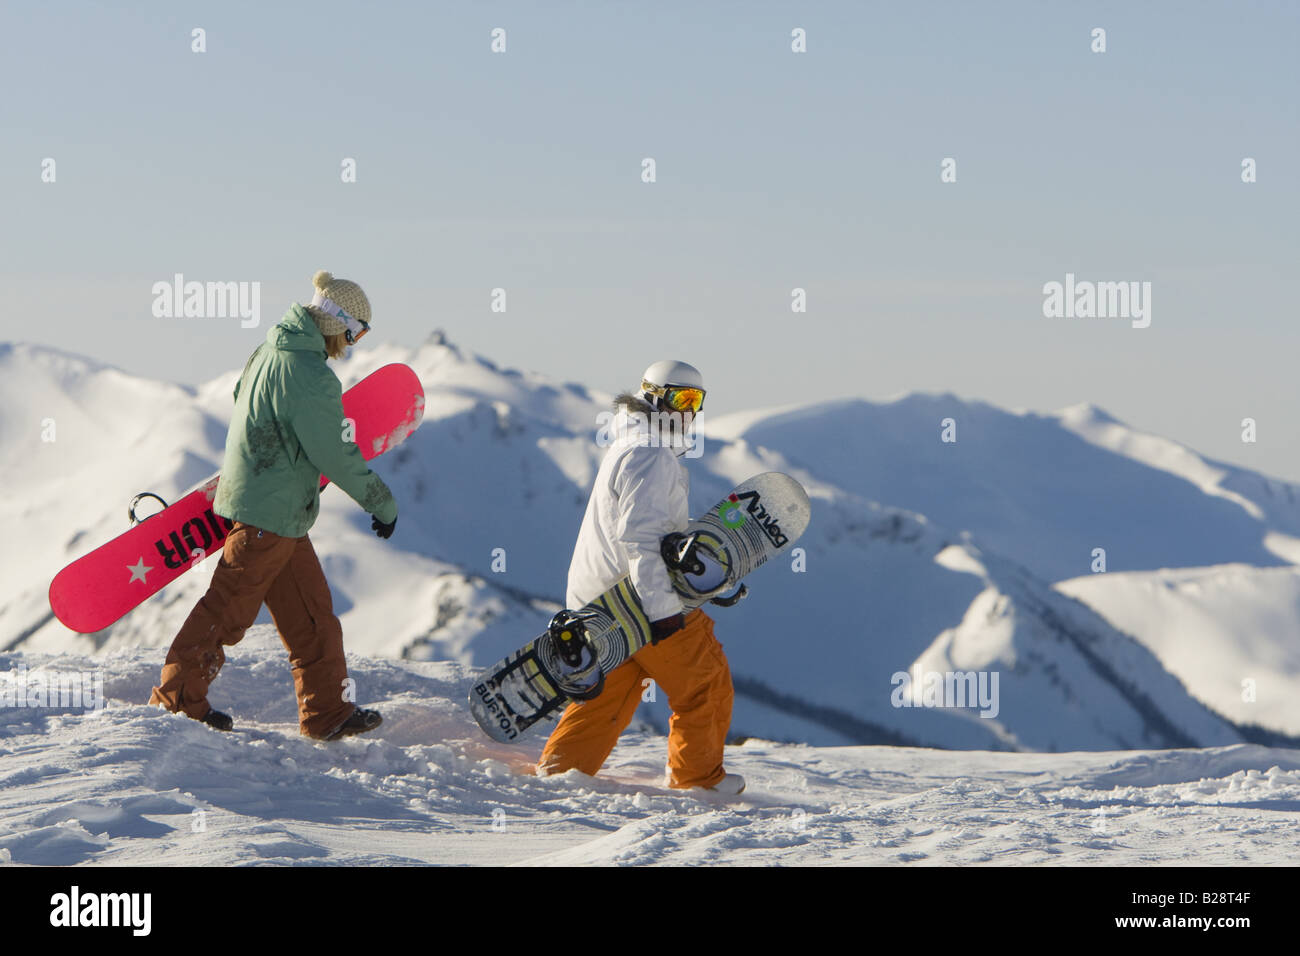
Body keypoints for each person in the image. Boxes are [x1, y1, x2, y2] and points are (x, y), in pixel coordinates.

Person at [149, 270, 399, 740]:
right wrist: (381, 503)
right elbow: (335, 452)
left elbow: (246, 400)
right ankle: (176, 700)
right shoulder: (308, 373)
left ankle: (327, 713)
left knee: (312, 616)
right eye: (355, 331)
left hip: (275, 510)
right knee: (227, 612)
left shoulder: (268, 352)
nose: (353, 344)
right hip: (269, 513)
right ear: (336, 321)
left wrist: (287, 461)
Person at [536, 360, 744, 793]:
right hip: (640, 600)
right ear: (654, 396)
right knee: (704, 681)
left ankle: (559, 774)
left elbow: (654, 536)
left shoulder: (632, 444)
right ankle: (698, 781)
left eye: (696, 401)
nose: (689, 411)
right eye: (681, 399)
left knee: (610, 690)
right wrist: (665, 611)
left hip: (601, 604)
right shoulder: (649, 454)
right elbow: (642, 540)